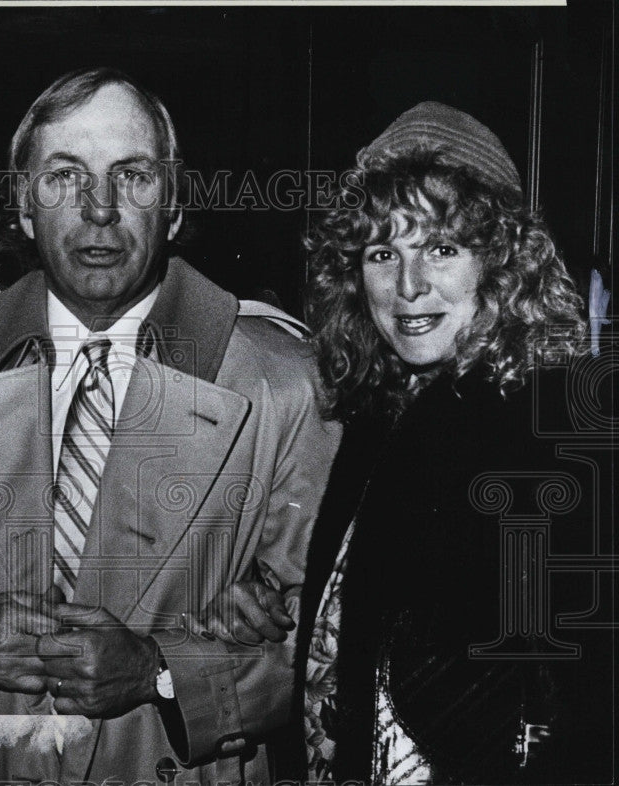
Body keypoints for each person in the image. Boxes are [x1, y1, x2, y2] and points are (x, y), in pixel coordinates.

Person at [0, 67, 341, 784]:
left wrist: (160, 672)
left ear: (172, 206)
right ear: (21, 204)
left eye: (132, 176)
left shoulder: (281, 383)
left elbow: (331, 641)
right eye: (65, 176)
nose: (99, 209)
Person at [198, 102, 614, 783]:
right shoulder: (387, 415)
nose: (409, 286)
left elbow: (569, 713)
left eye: (442, 248)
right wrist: (282, 605)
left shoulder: (545, 436)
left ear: (502, 262)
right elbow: (401, 624)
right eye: (383, 251)